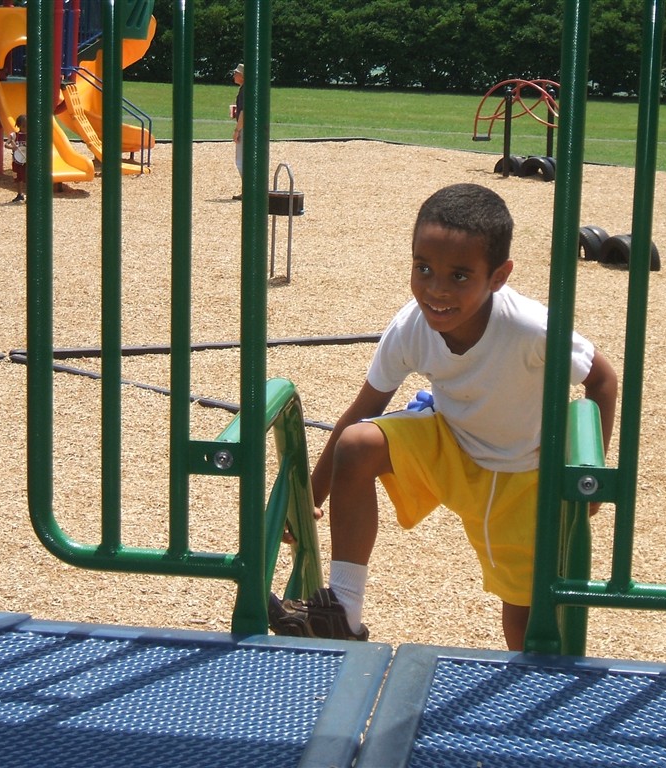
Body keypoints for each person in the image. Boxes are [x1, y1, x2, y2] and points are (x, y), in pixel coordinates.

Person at [269, 183, 618, 651]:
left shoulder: (530, 328)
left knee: (523, 621)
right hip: (452, 448)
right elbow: (365, 408)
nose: (436, 290)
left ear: (498, 276)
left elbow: (603, 380)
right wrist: (310, 495)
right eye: (423, 269)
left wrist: (589, 481)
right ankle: (344, 613)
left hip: (525, 477)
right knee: (357, 444)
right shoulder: (412, 326)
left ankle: (533, 683)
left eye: (459, 276)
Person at [4, 114, 27, 203]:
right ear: (19, 125)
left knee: (28, 177)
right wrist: (12, 148)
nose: (26, 128)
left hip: (27, 161)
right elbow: (6, 144)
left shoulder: (31, 135)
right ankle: (20, 194)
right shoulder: (14, 135)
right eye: (24, 126)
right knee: (18, 178)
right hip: (17, 161)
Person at [230, 63, 244, 200]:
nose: (234, 75)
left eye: (236, 73)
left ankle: (248, 190)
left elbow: (244, 113)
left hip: (245, 128)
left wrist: (237, 130)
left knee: (241, 161)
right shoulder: (246, 89)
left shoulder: (244, 91)